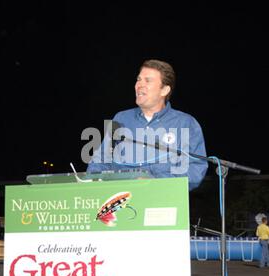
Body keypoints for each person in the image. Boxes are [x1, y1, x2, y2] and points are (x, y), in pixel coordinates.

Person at [86, 59, 208, 191]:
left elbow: (195, 170)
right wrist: (91, 182)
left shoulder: (185, 123)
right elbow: (100, 161)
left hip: (162, 201)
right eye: (138, 79)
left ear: (164, 90)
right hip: (119, 199)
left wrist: (155, 182)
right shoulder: (121, 119)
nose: (139, 85)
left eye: (147, 80)